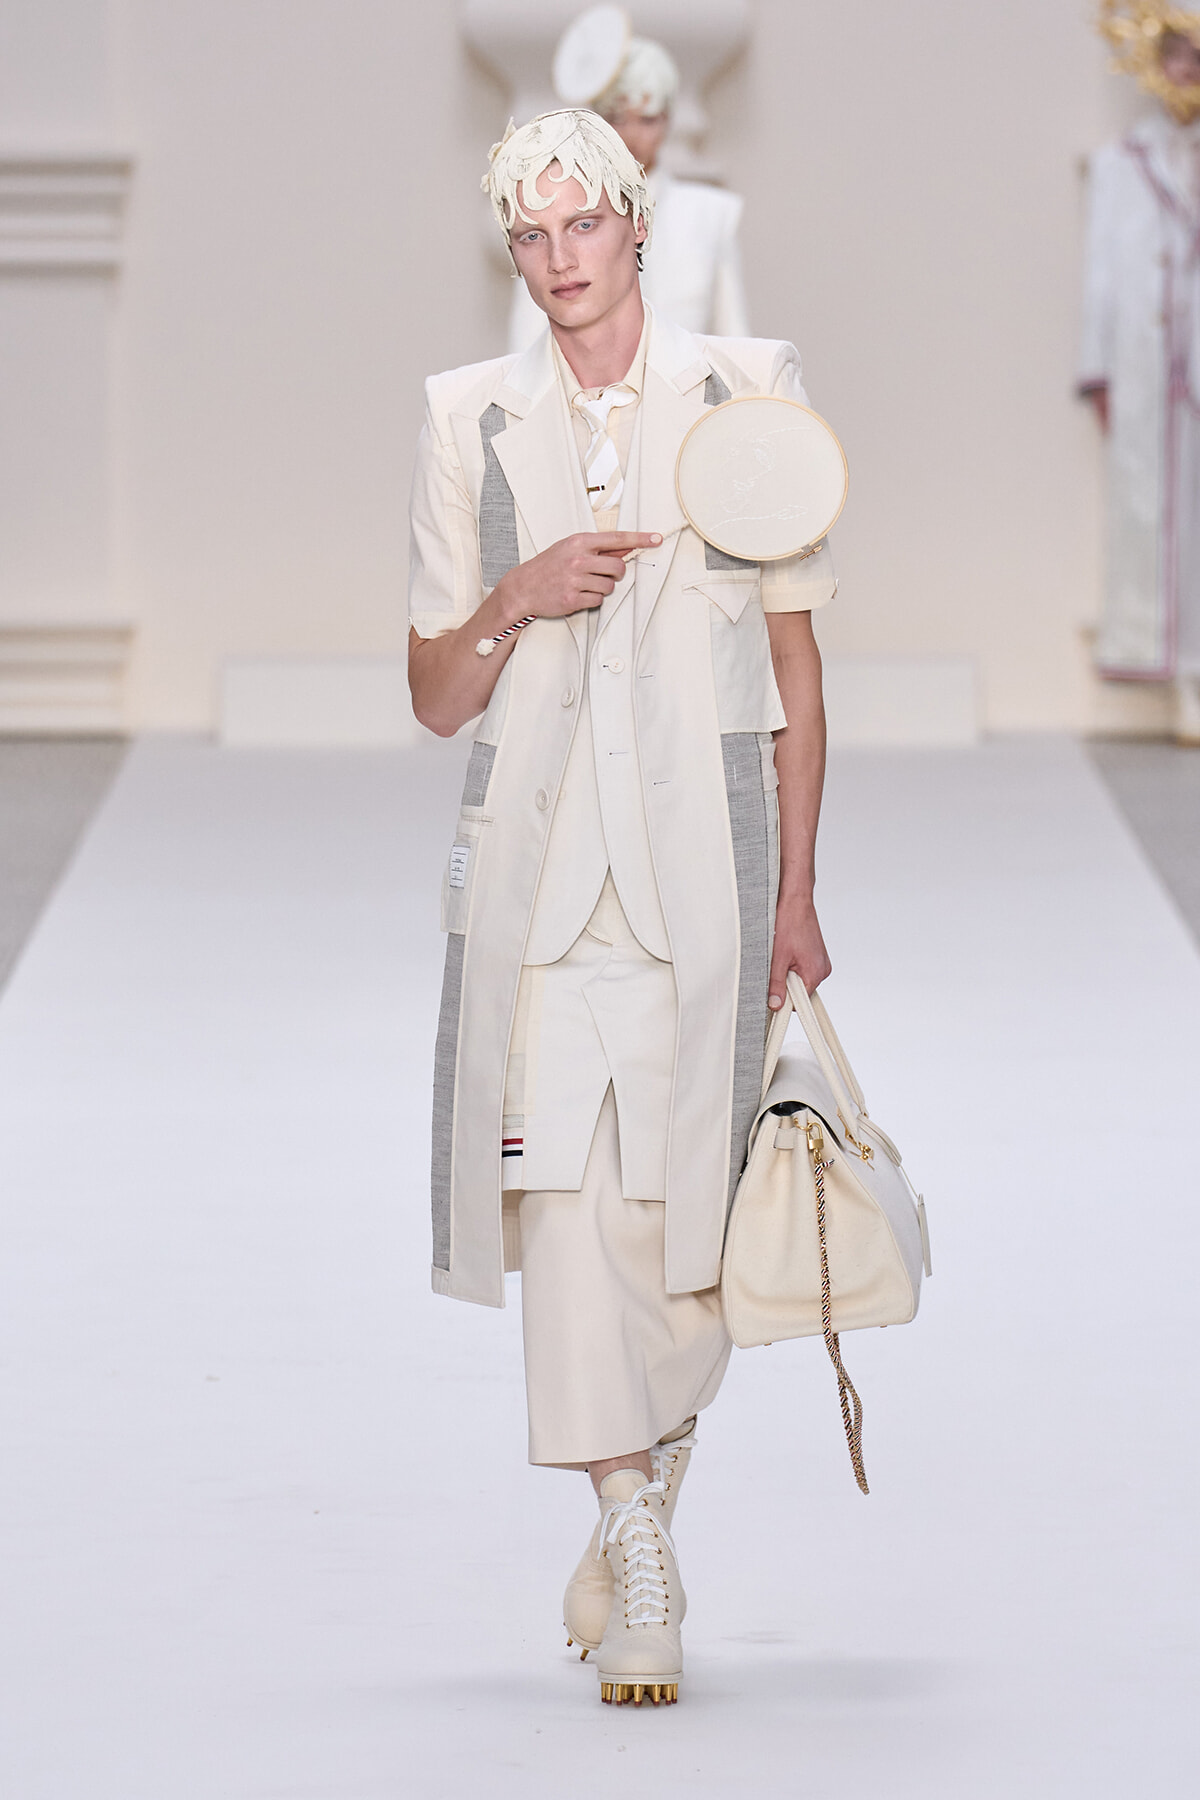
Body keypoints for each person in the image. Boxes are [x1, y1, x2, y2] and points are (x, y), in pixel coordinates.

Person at [408, 108, 836, 1707]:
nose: (558, 259)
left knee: (690, 1243)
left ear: (638, 224)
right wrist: (519, 595)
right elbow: (435, 695)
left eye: (581, 225)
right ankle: (636, 1539)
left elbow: (795, 671)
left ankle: (634, 1487)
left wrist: (798, 890)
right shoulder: (468, 418)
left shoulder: (748, 392)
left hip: (706, 878)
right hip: (545, 898)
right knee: (573, 1214)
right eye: (529, 236)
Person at [1081, 4, 1200, 739]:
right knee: (1156, 520)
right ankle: (1183, 673)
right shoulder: (1121, 161)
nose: (1187, 69)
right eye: (1177, 53)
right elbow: (1101, 269)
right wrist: (1097, 369)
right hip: (1149, 369)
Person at [507, 33, 750, 353]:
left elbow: (734, 339)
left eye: (647, 120)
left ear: (667, 121)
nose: (631, 135)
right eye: (616, 119)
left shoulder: (710, 214)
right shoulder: (554, 207)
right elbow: (527, 341)